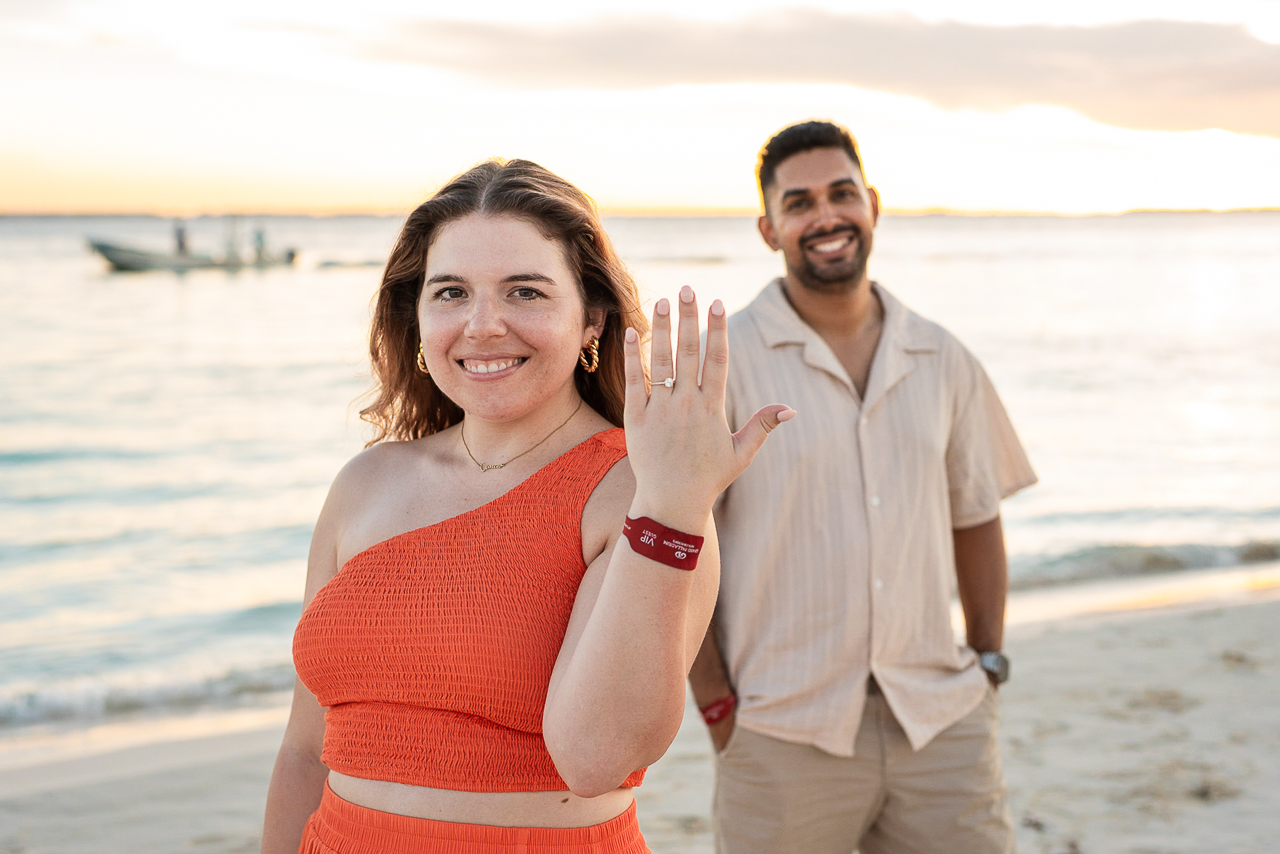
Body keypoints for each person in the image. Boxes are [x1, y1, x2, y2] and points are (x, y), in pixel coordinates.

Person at [261, 159, 793, 854]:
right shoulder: (366, 483)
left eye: (525, 292)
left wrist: (671, 505)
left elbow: (598, 759)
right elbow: (305, 750)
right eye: (451, 292)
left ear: (591, 319)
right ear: (417, 316)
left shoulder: (641, 490)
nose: (483, 326)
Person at [687, 121, 1037, 854]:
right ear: (769, 228)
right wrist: (716, 703)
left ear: (871, 204)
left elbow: (975, 516)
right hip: (781, 727)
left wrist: (989, 661)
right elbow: (684, 544)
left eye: (841, 194)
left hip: (939, 722)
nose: (825, 217)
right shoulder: (726, 365)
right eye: (800, 202)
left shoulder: (942, 356)